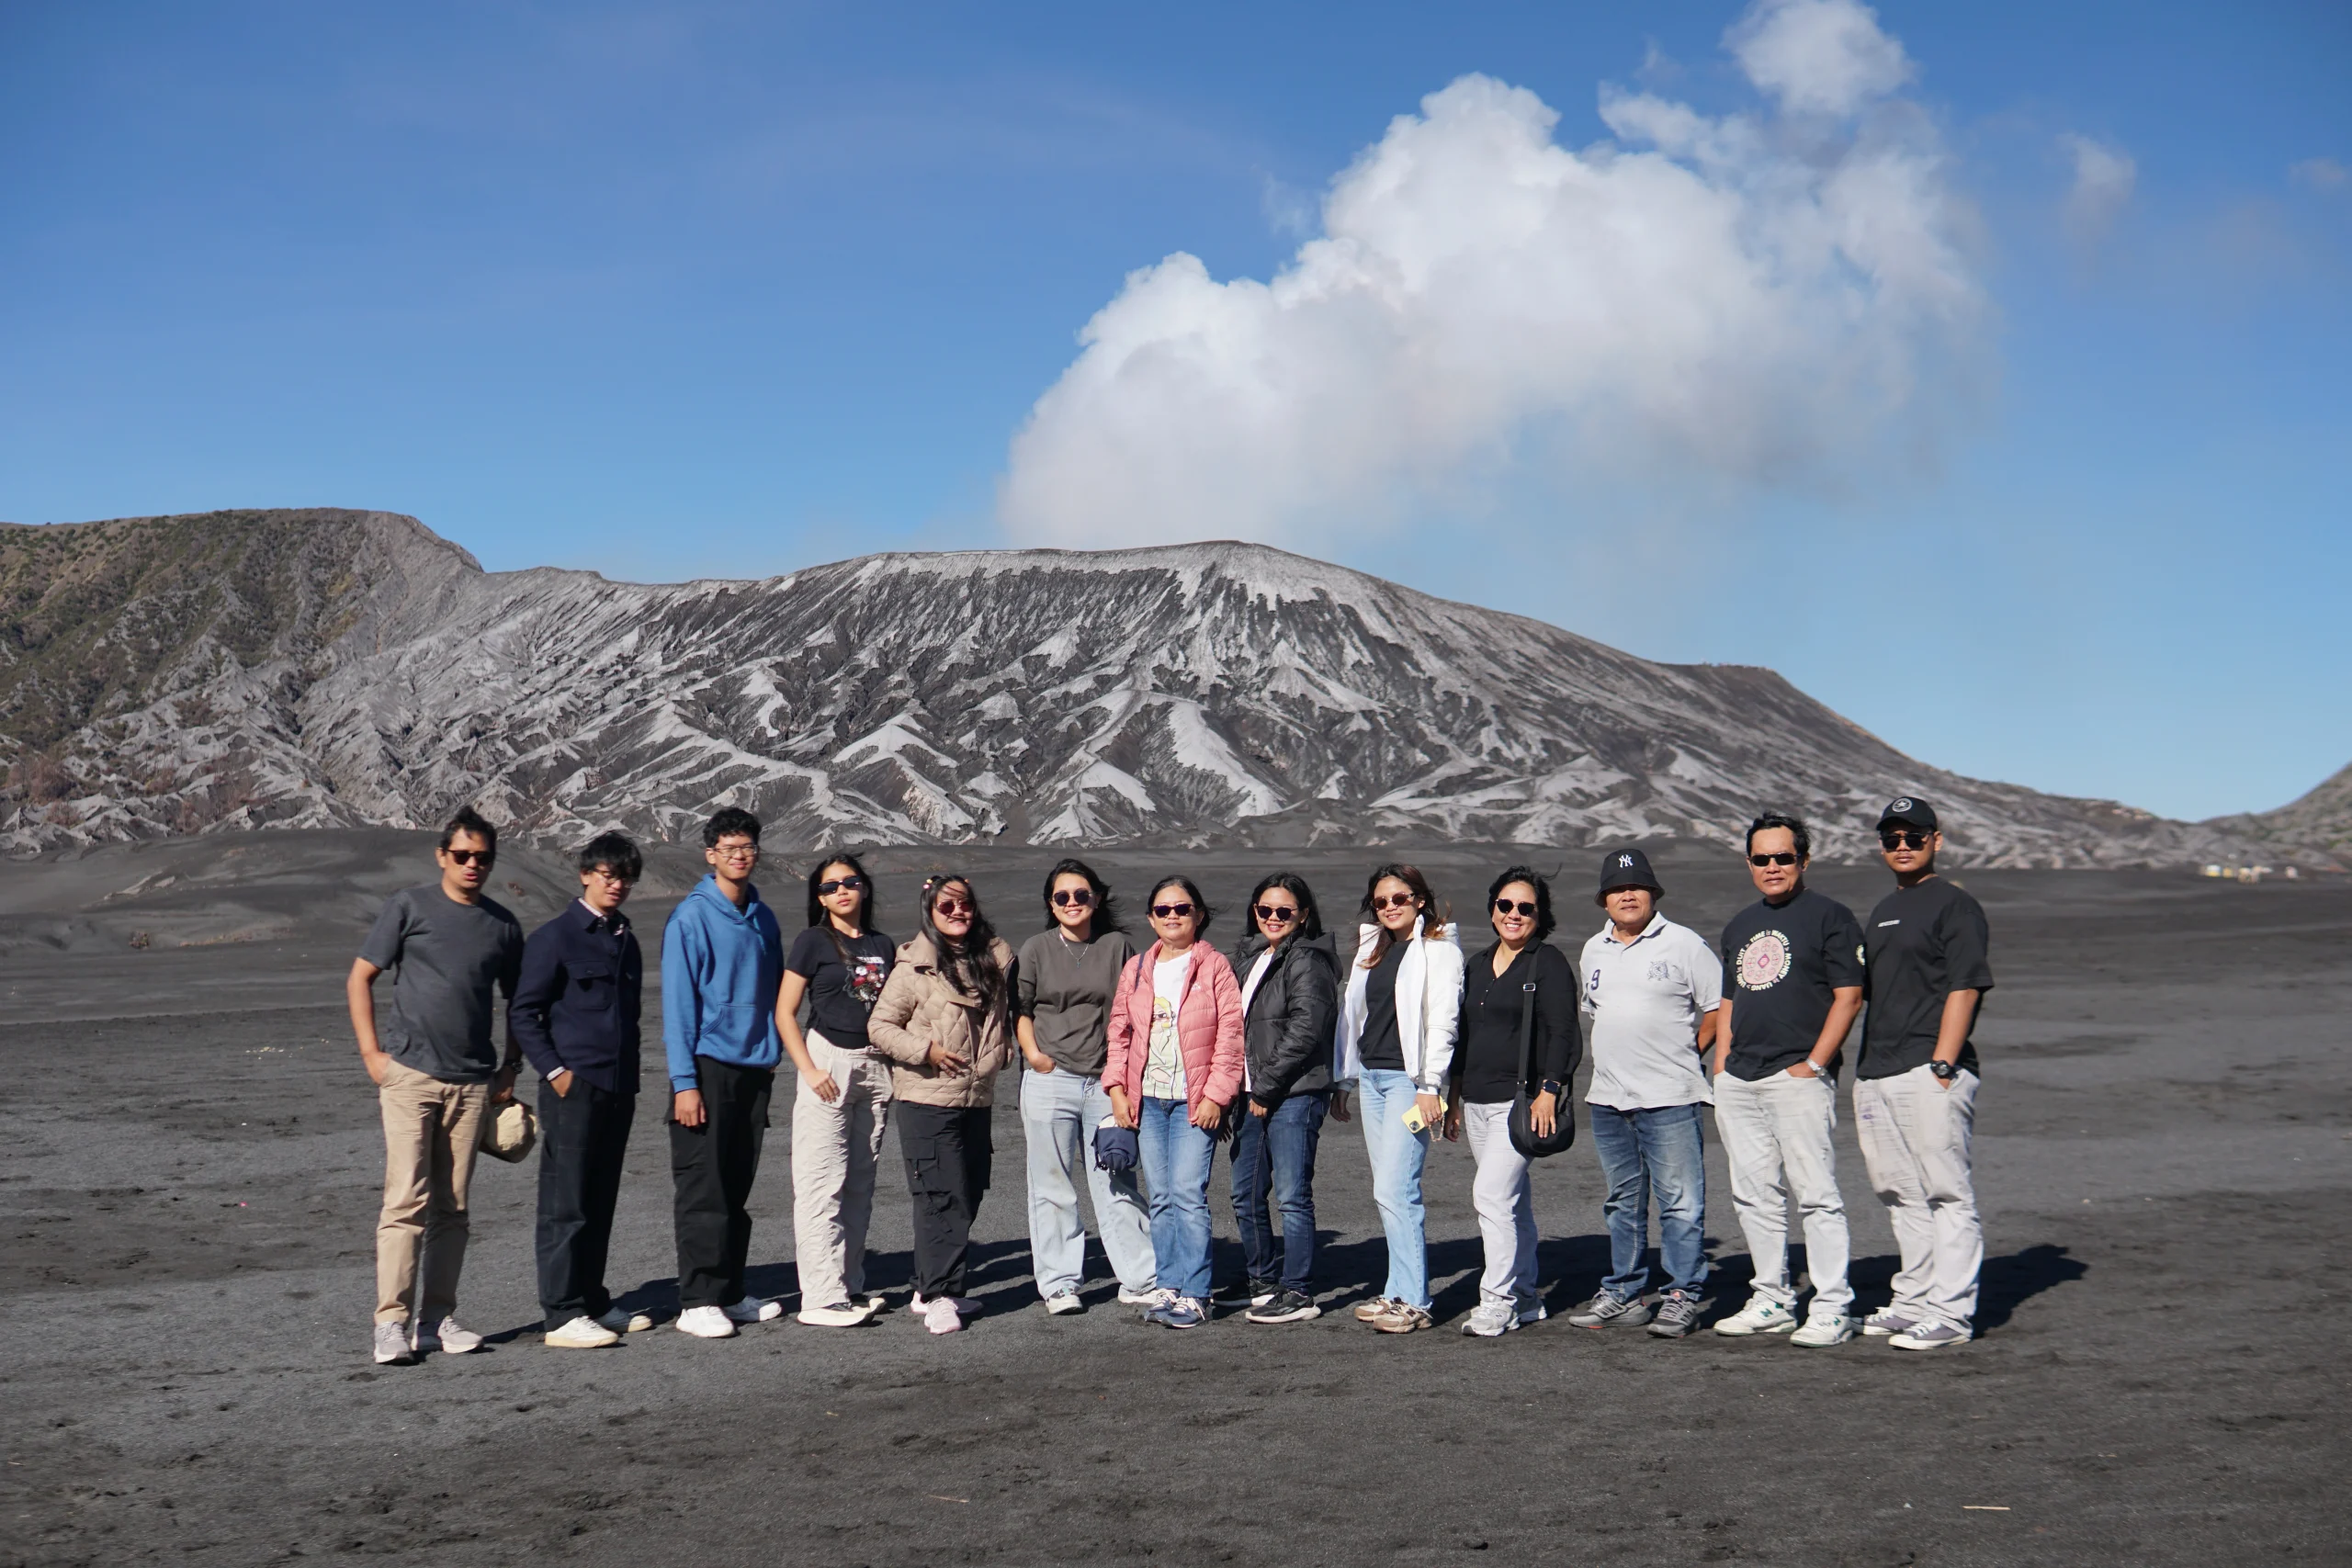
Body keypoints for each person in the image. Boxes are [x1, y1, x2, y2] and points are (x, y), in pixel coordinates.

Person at [348, 807, 525, 1365]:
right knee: (405, 1200)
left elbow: (518, 1002)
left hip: (472, 1085)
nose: (473, 865)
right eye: (463, 855)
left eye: (483, 858)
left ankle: (436, 1319)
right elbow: (361, 976)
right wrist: (373, 1056)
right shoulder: (409, 906)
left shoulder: (502, 925)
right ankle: (390, 1323)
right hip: (410, 1077)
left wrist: (510, 1068)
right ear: (441, 856)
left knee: (453, 1207)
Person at [1711, 813, 1866, 1348]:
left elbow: (1849, 995)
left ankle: (1832, 1305)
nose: (1772, 867)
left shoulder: (1831, 918)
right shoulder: (1738, 926)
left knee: (1816, 1195)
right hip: (1741, 1079)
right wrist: (1723, 1065)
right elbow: (1730, 1001)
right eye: (1762, 858)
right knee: (1754, 1194)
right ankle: (1773, 1297)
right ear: (1748, 862)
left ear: (1803, 860)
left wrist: (1816, 1063)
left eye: (1783, 857)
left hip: (1797, 1076)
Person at [1853, 796, 1994, 1351]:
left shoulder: (1953, 905)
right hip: (1878, 1069)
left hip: (1928, 1068)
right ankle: (1914, 1297)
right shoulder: (1885, 907)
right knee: (1899, 1191)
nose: (1903, 847)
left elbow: (1966, 983)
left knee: (1946, 1193)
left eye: (1914, 837)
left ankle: (1952, 1312)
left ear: (1937, 840)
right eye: (1893, 839)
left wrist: (1944, 1061)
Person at [1568, 847, 1722, 1340]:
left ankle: (1682, 1295)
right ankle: (1625, 1294)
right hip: (1610, 1099)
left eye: (1635, 887)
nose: (1627, 895)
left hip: (1671, 1097)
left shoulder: (1684, 944)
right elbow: (1597, 1011)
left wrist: (1687, 1049)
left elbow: (1718, 1007)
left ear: (1652, 894)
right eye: (1616, 889)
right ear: (1605, 900)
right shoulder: (1593, 949)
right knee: (1623, 1202)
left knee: (1680, 1201)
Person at [510, 830, 651, 1349]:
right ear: (586, 875)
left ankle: (592, 1298)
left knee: (601, 1197)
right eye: (609, 876)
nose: (618, 886)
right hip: (575, 1086)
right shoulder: (555, 937)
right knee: (565, 1200)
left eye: (627, 878)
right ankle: (562, 1312)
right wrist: (554, 1071)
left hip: (618, 1087)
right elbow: (525, 1013)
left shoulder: (624, 939)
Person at [868, 873, 1018, 1336]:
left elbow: (1006, 1013)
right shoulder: (914, 967)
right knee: (941, 1196)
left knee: (970, 1189)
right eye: (945, 906)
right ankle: (939, 1295)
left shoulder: (992, 959)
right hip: (927, 1098)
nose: (957, 913)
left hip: (975, 1097)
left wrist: (1003, 1048)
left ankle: (927, 1283)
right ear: (930, 912)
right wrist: (925, 1051)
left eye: (964, 904)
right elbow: (880, 1026)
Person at [662, 807, 788, 1340]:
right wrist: (684, 1083)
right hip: (708, 1065)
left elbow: (778, 990)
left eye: (748, 848)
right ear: (711, 854)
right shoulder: (691, 917)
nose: (740, 856)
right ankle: (698, 1298)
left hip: (754, 1067)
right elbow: (677, 1005)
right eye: (730, 848)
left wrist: (774, 1049)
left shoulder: (763, 917)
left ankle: (730, 1291)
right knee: (704, 1185)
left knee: (737, 1184)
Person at [1013, 860, 1156, 1315]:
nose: (1072, 903)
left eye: (1081, 895)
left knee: (1117, 1176)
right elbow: (1020, 1008)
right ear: (1051, 905)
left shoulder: (1118, 947)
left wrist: (1122, 1078)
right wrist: (1036, 1058)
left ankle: (1139, 1277)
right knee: (1052, 1183)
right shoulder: (1035, 949)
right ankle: (1059, 1284)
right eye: (1062, 897)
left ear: (1097, 898)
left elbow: (1133, 1012)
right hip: (1050, 1079)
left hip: (1105, 1083)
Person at [1444, 867, 1580, 1338]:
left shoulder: (1548, 963)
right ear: (1492, 910)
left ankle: (1496, 1301)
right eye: (1506, 905)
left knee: (1491, 1196)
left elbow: (1564, 1033)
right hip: (1478, 1102)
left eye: (1526, 907)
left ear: (1540, 916)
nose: (1514, 914)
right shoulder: (1478, 964)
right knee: (1512, 1204)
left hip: (1517, 1103)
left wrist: (1550, 1090)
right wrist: (1455, 1096)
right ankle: (1525, 1296)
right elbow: (1463, 1037)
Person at [1103, 875, 1244, 1330]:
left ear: (1198, 915)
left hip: (1193, 1102)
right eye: (1163, 910)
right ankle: (1170, 1284)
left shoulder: (1214, 966)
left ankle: (1198, 1293)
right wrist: (1118, 1090)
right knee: (1160, 1197)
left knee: (1187, 1194)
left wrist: (1217, 1096)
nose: (1172, 917)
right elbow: (1120, 1032)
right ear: (1150, 918)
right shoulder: (1139, 968)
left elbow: (1230, 1036)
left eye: (1182, 909)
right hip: (1148, 1099)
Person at [1333, 863, 1463, 1336]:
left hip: (1411, 1086)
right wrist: (1345, 1079)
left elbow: (1443, 1021)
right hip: (1372, 1080)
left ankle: (1416, 1300)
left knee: (1397, 1188)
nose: (1390, 907)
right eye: (1381, 901)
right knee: (1384, 1189)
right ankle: (1396, 1288)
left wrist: (1432, 1087)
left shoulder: (1438, 951)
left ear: (1420, 900)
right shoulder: (1374, 948)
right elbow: (1356, 1018)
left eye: (1399, 898)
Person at [779, 853, 896, 1328]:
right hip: (827, 1061)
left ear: (864, 888)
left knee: (859, 1183)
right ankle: (820, 1298)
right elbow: (785, 1011)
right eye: (829, 887)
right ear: (819, 898)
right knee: (819, 1182)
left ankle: (849, 1287)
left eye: (849, 882)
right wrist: (807, 1069)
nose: (841, 891)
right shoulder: (812, 942)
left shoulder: (883, 944)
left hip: (875, 1066)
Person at [1227, 872, 1340, 1325]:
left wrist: (1268, 1085)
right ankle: (1262, 1281)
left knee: (1292, 1195)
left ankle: (1298, 1290)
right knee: (1245, 1193)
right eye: (1264, 910)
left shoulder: (1308, 960)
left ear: (1304, 915)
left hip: (1292, 1093)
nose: (1273, 918)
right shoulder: (1252, 957)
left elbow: (1305, 1029)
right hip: (1253, 1093)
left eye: (1284, 911)